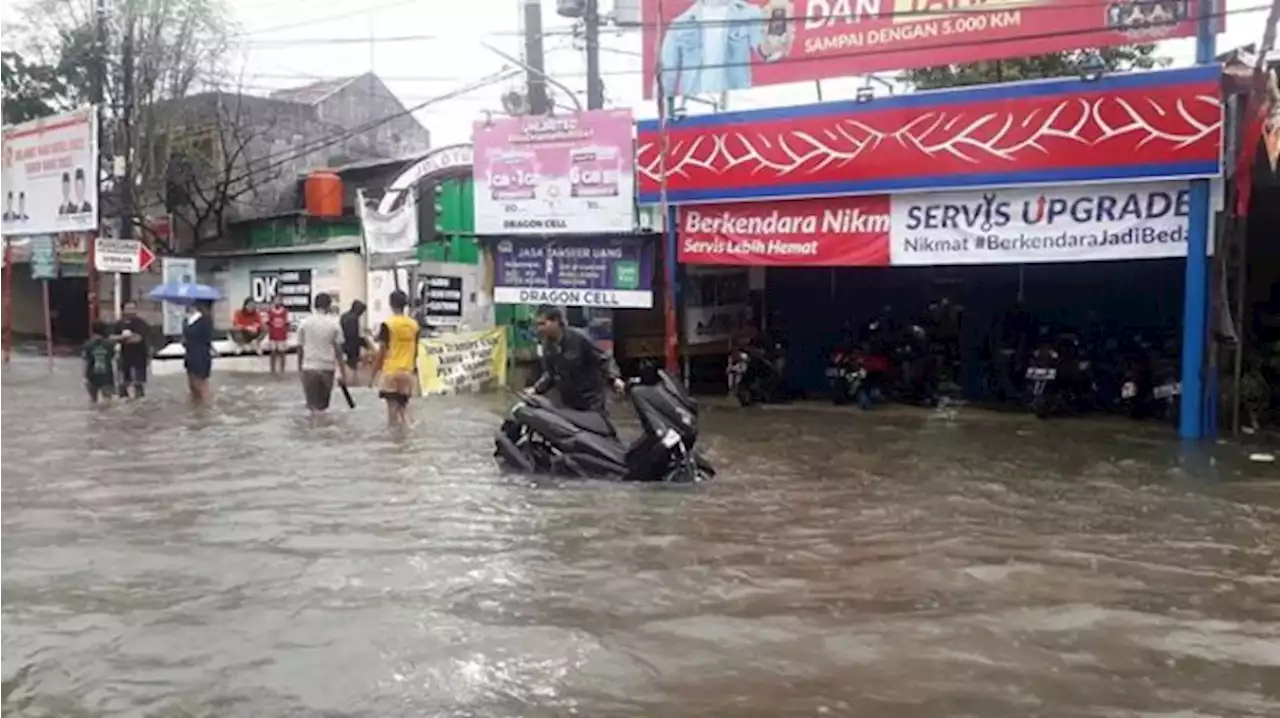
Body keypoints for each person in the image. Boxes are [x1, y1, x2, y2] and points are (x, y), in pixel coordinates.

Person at [527, 304, 624, 414]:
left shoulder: (579, 338)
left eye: (543, 324)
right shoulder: (548, 346)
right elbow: (550, 373)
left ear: (556, 321)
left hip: (591, 401)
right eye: (538, 324)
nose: (539, 328)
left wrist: (615, 379)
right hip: (568, 402)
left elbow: (603, 359)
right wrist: (536, 389)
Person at [370, 290, 420, 427]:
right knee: (404, 411)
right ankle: (406, 441)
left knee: (392, 413)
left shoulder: (387, 324)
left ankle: (394, 444)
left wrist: (373, 374)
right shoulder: (413, 325)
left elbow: (381, 352)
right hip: (407, 372)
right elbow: (416, 350)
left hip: (391, 372)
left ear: (390, 304)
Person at [296, 293, 344, 416]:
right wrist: (342, 372)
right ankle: (324, 430)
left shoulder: (304, 323)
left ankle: (313, 430)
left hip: (309, 367)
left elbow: (300, 348)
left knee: (312, 407)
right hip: (327, 368)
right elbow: (338, 350)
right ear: (329, 306)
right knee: (323, 408)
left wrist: (300, 368)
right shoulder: (334, 324)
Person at [114, 300, 151, 399]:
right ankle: (125, 404)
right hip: (124, 357)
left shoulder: (141, 323)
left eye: (133, 309)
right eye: (128, 309)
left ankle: (139, 404)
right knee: (122, 384)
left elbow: (138, 339)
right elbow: (112, 338)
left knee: (138, 383)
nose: (131, 311)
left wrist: (123, 338)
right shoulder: (119, 324)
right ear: (123, 310)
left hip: (139, 357)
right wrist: (124, 338)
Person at [182, 300, 215, 405]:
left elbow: (206, 338)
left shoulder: (204, 320)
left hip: (201, 354)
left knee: (201, 383)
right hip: (190, 354)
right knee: (192, 385)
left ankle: (208, 407)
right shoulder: (187, 320)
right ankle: (196, 408)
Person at [83, 321, 116, 404]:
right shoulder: (110, 344)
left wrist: (84, 376)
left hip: (92, 375)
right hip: (107, 374)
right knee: (108, 401)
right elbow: (113, 357)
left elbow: (85, 361)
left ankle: (93, 416)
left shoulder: (88, 344)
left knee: (93, 400)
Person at [339, 299, 368, 384]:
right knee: (353, 364)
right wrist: (363, 343)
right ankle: (352, 381)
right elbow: (354, 335)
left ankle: (346, 379)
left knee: (346, 363)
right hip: (352, 345)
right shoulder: (354, 318)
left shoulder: (344, 316)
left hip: (343, 343)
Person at [265, 296, 290, 375]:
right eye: (276, 300)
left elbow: (288, 323)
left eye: (279, 300)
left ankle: (282, 370)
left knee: (282, 353)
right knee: (273, 353)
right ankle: (272, 370)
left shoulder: (285, 312)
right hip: (272, 336)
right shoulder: (270, 312)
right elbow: (267, 324)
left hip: (282, 336)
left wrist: (287, 333)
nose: (277, 302)